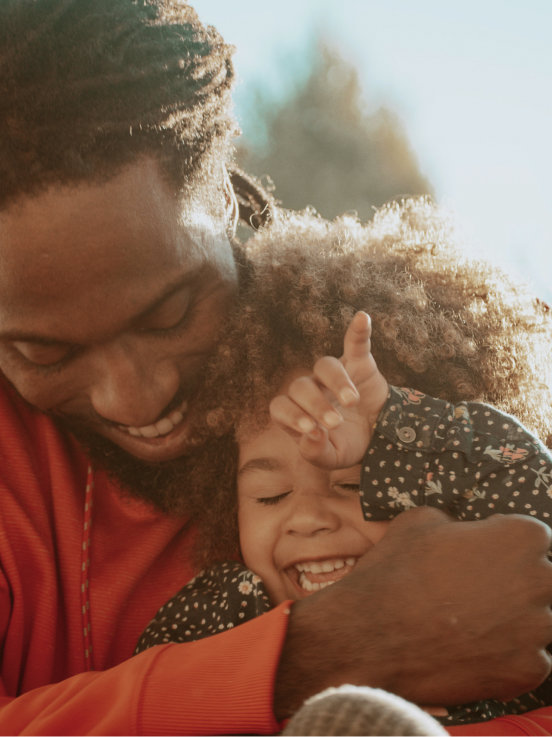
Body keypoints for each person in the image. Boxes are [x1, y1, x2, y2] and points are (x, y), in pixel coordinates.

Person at [0, 0, 551, 733]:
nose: (135, 395)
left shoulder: (369, 359)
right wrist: (327, 649)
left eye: (168, 314)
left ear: (224, 196)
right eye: (44, 350)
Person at [134, 210, 552, 729]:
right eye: (269, 495)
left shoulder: (509, 610)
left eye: (354, 483)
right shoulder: (226, 617)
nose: (306, 518)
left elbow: (535, 497)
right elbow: (162, 706)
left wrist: (399, 423)